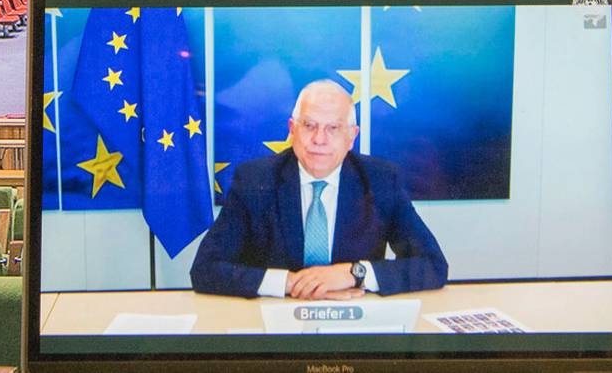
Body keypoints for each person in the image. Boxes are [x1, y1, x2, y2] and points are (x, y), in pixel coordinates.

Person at [190, 80, 447, 299]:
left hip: (356, 322)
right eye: (309, 126)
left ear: (351, 137)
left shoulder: (380, 180)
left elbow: (433, 265)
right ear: (292, 130)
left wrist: (354, 273)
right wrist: (291, 283)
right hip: (275, 326)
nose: (319, 139)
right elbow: (205, 269)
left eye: (333, 128)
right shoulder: (255, 180)